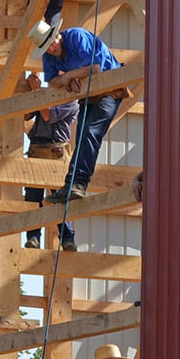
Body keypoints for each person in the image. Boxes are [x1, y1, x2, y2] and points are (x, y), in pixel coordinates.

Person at [28, 25, 122, 253]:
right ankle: (73, 184)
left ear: (57, 36)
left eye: (51, 44)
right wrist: (70, 80)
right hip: (89, 93)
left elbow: (96, 69)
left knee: (91, 133)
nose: (50, 49)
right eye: (46, 48)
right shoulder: (51, 57)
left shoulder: (77, 37)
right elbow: (52, 81)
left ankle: (77, 184)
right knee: (81, 136)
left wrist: (68, 76)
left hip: (110, 89)